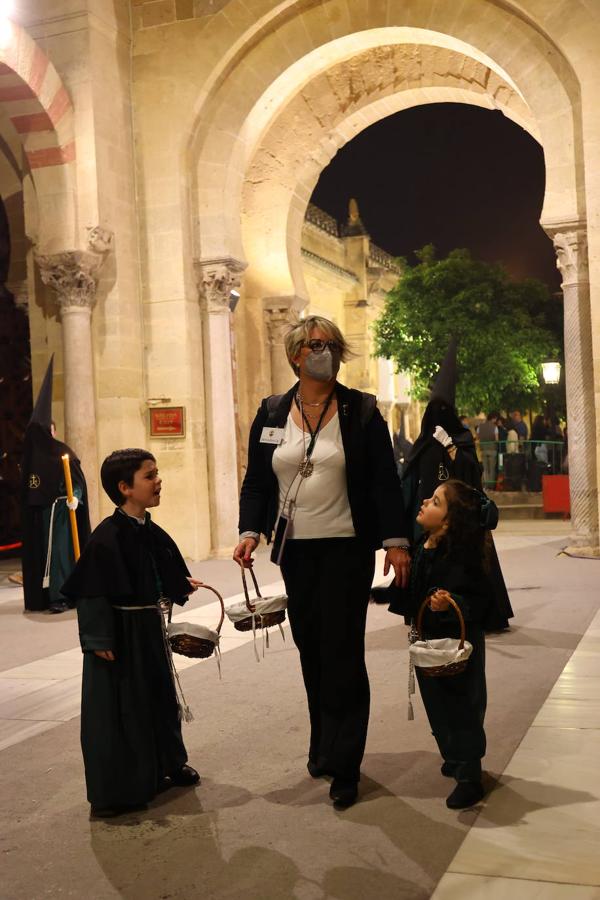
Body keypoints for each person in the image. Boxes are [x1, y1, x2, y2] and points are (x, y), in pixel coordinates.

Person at [233, 315, 410, 810]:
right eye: (315, 344)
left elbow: (383, 481)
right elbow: (256, 482)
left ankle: (346, 765)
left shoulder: (362, 411)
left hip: (347, 547)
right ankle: (323, 746)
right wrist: (249, 530)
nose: (324, 352)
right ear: (295, 354)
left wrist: (397, 541)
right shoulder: (271, 412)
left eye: (331, 344)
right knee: (312, 648)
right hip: (296, 550)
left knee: (343, 652)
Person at [62, 449, 201, 817]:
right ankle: (121, 789)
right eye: (150, 476)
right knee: (123, 710)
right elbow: (92, 593)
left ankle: (167, 765)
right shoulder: (105, 538)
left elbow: (158, 570)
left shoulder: (150, 531)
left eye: (157, 473)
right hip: (120, 635)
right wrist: (98, 639)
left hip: (149, 629)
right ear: (125, 488)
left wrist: (178, 584)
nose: (159, 481)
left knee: (159, 699)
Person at [390, 479, 495, 809]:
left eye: (435, 501)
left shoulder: (462, 556)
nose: (424, 502)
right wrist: (381, 595)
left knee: (462, 707)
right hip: (429, 644)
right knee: (437, 705)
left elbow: (481, 601)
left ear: (449, 520)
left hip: (457, 646)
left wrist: (453, 603)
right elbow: (413, 589)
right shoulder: (425, 544)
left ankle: (470, 775)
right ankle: (452, 754)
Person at [400, 339, 513, 631]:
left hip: (460, 513)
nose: (438, 413)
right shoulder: (424, 442)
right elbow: (412, 478)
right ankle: (422, 610)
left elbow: (472, 474)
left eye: (443, 408)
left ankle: (473, 612)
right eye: (433, 408)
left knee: (465, 563)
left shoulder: (459, 440)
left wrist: (452, 448)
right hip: (430, 513)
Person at [21, 357, 91, 613]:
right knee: (44, 556)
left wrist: (76, 497)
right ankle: (43, 595)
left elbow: (76, 479)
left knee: (61, 556)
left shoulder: (62, 452)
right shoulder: (32, 457)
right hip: (42, 515)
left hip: (62, 514)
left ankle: (62, 595)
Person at [476, 413, 499, 489]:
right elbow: (496, 439)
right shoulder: (495, 427)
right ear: (493, 418)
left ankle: (486, 485)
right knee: (492, 468)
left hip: (483, 450)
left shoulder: (480, 427)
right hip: (492, 450)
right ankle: (491, 486)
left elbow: (477, 438)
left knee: (485, 468)